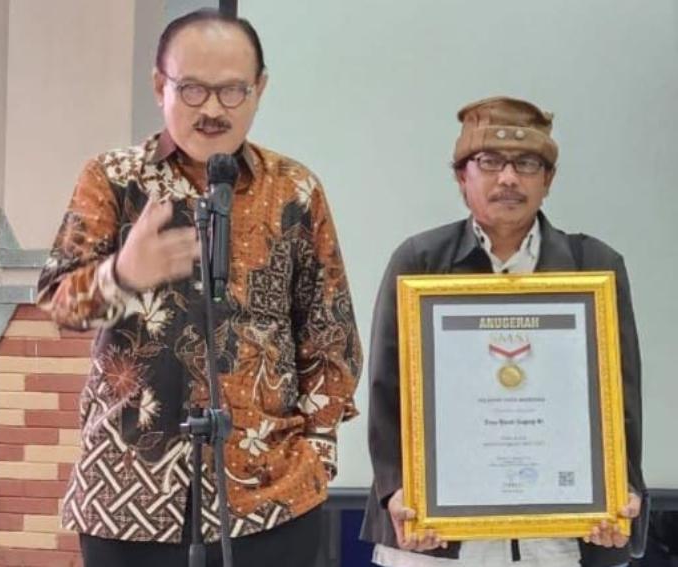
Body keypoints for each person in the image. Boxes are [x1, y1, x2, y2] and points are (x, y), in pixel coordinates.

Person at [36, 9, 361, 567]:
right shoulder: (114, 179)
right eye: (192, 89)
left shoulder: (295, 190)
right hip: (127, 495)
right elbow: (60, 305)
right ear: (159, 85)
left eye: (232, 91)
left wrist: (317, 456)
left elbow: (331, 337)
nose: (212, 109)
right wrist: (122, 275)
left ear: (259, 89)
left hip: (271, 497)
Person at [360, 96, 645, 567]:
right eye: (489, 161)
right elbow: (386, 391)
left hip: (561, 539)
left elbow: (621, 398)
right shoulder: (421, 262)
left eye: (527, 163)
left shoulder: (593, 266)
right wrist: (398, 490)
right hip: (437, 541)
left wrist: (622, 489)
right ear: (461, 177)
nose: (508, 178)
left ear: (548, 179)